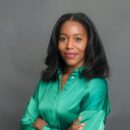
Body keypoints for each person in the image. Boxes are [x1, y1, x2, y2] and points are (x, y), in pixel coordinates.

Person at [20, 12, 111, 130]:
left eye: (77, 39)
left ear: (89, 43)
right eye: (63, 39)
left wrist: (44, 127)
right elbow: (26, 123)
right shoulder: (47, 79)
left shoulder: (96, 85)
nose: (69, 45)